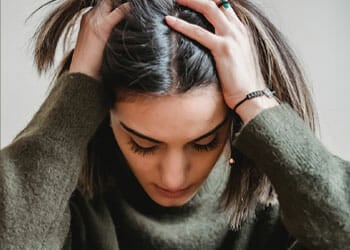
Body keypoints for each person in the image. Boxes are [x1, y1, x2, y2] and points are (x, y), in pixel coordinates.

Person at [0, 0, 349, 249]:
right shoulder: (61, 211)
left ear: (234, 122)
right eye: (144, 144)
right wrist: (77, 90)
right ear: (103, 115)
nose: (173, 178)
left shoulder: (283, 215)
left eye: (204, 142)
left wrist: (254, 97)